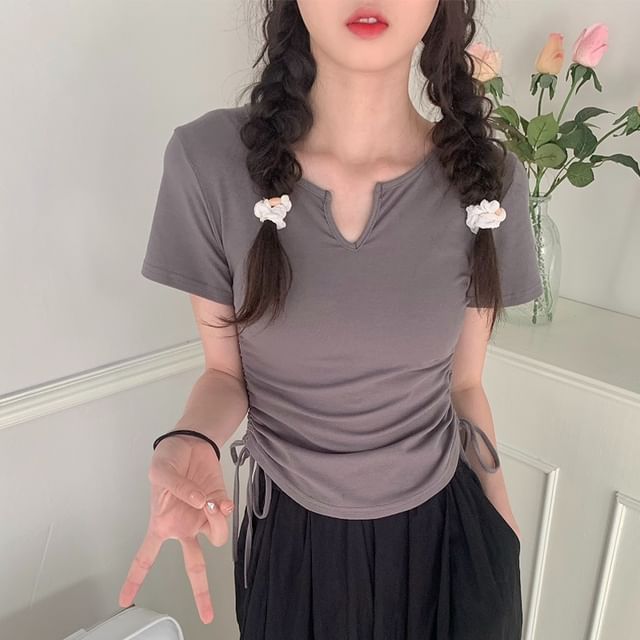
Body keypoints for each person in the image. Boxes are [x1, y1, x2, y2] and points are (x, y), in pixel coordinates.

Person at [119, 1, 543, 638]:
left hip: (450, 542)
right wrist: (191, 440)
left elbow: (464, 385)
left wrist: (502, 536)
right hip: (291, 549)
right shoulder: (207, 161)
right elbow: (226, 375)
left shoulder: (489, 180)